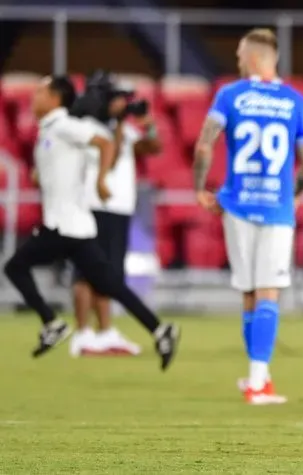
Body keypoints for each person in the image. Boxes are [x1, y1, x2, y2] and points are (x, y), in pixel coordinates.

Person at [3, 75, 180, 369]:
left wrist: (100, 180)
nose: (34, 97)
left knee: (15, 267)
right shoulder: (52, 128)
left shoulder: (64, 125)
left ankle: (52, 323)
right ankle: (160, 329)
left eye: (40, 92)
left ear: (55, 98)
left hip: (63, 226)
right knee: (109, 282)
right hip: (77, 224)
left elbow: (105, 143)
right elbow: (51, 169)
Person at [193, 28, 303, 406]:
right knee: (268, 292)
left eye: (238, 55)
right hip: (276, 207)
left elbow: (204, 145)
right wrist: (293, 194)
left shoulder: (229, 95)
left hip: (237, 204)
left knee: (249, 292)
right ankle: (259, 382)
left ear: (251, 58)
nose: (236, 61)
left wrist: (199, 188)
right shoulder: (295, 100)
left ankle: (255, 375)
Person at [70, 73, 163, 357]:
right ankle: (82, 333)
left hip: (119, 207)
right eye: (119, 99)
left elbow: (153, 148)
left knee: (108, 273)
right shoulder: (87, 127)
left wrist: (148, 125)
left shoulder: (121, 128)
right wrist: (121, 124)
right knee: (86, 271)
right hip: (94, 205)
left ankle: (104, 331)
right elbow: (111, 158)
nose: (124, 104)